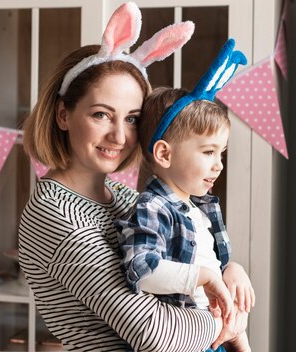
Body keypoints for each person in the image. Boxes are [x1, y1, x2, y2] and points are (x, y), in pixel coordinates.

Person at [18, 3, 244, 351]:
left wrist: (231, 272)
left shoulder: (123, 199)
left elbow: (192, 262)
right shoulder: (56, 213)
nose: (119, 137)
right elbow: (153, 332)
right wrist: (227, 317)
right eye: (101, 115)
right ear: (64, 115)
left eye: (132, 119)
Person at [116, 39, 254, 352]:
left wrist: (232, 269)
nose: (218, 165)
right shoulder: (153, 209)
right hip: (182, 340)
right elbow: (143, 268)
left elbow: (215, 269)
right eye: (208, 152)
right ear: (163, 154)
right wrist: (206, 277)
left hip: (214, 339)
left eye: (221, 152)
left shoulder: (201, 209)